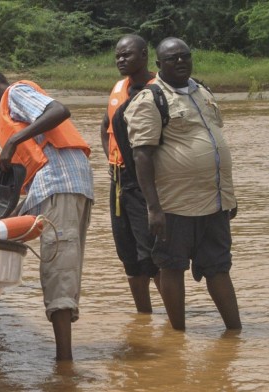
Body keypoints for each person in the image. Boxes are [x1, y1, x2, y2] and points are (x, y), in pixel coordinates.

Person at [0, 69, 93, 361]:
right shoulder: (8, 117)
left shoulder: (14, 93)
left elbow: (59, 110)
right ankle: (63, 355)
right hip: (61, 186)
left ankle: (64, 362)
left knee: (58, 269)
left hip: (61, 183)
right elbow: (32, 176)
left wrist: (14, 141)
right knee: (62, 266)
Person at [125, 37, 241, 331]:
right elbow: (141, 156)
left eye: (184, 57)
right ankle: (178, 336)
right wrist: (153, 208)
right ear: (159, 65)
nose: (180, 62)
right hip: (174, 204)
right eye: (172, 58)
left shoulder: (202, 91)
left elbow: (215, 143)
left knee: (219, 266)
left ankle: (234, 333)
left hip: (214, 202)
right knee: (172, 267)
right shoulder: (151, 99)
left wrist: (229, 195)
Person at [100, 34, 161, 314]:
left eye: (127, 55)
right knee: (127, 253)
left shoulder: (159, 88)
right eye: (118, 56)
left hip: (147, 181)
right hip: (118, 180)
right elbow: (106, 126)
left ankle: (175, 320)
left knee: (152, 252)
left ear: (145, 55)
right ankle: (144, 317)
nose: (121, 60)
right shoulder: (118, 87)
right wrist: (112, 160)